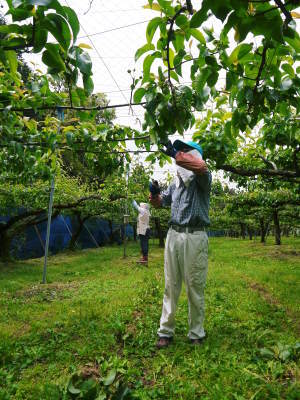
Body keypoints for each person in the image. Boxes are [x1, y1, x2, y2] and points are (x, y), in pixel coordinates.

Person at [149, 139, 212, 348]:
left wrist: (177, 154)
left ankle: (196, 332)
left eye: (185, 151)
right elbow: (160, 203)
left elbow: (201, 167)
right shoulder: (176, 183)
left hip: (194, 236)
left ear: (194, 155)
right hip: (174, 235)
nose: (180, 154)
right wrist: (154, 194)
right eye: (179, 150)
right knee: (171, 285)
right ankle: (165, 331)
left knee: (194, 285)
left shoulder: (202, 179)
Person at [132, 200, 150, 265]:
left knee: (144, 244)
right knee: (144, 243)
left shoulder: (144, 210)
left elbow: (136, 206)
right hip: (145, 229)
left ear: (143, 207)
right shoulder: (145, 211)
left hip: (144, 230)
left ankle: (145, 259)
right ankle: (144, 257)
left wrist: (133, 200)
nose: (140, 206)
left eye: (141, 206)